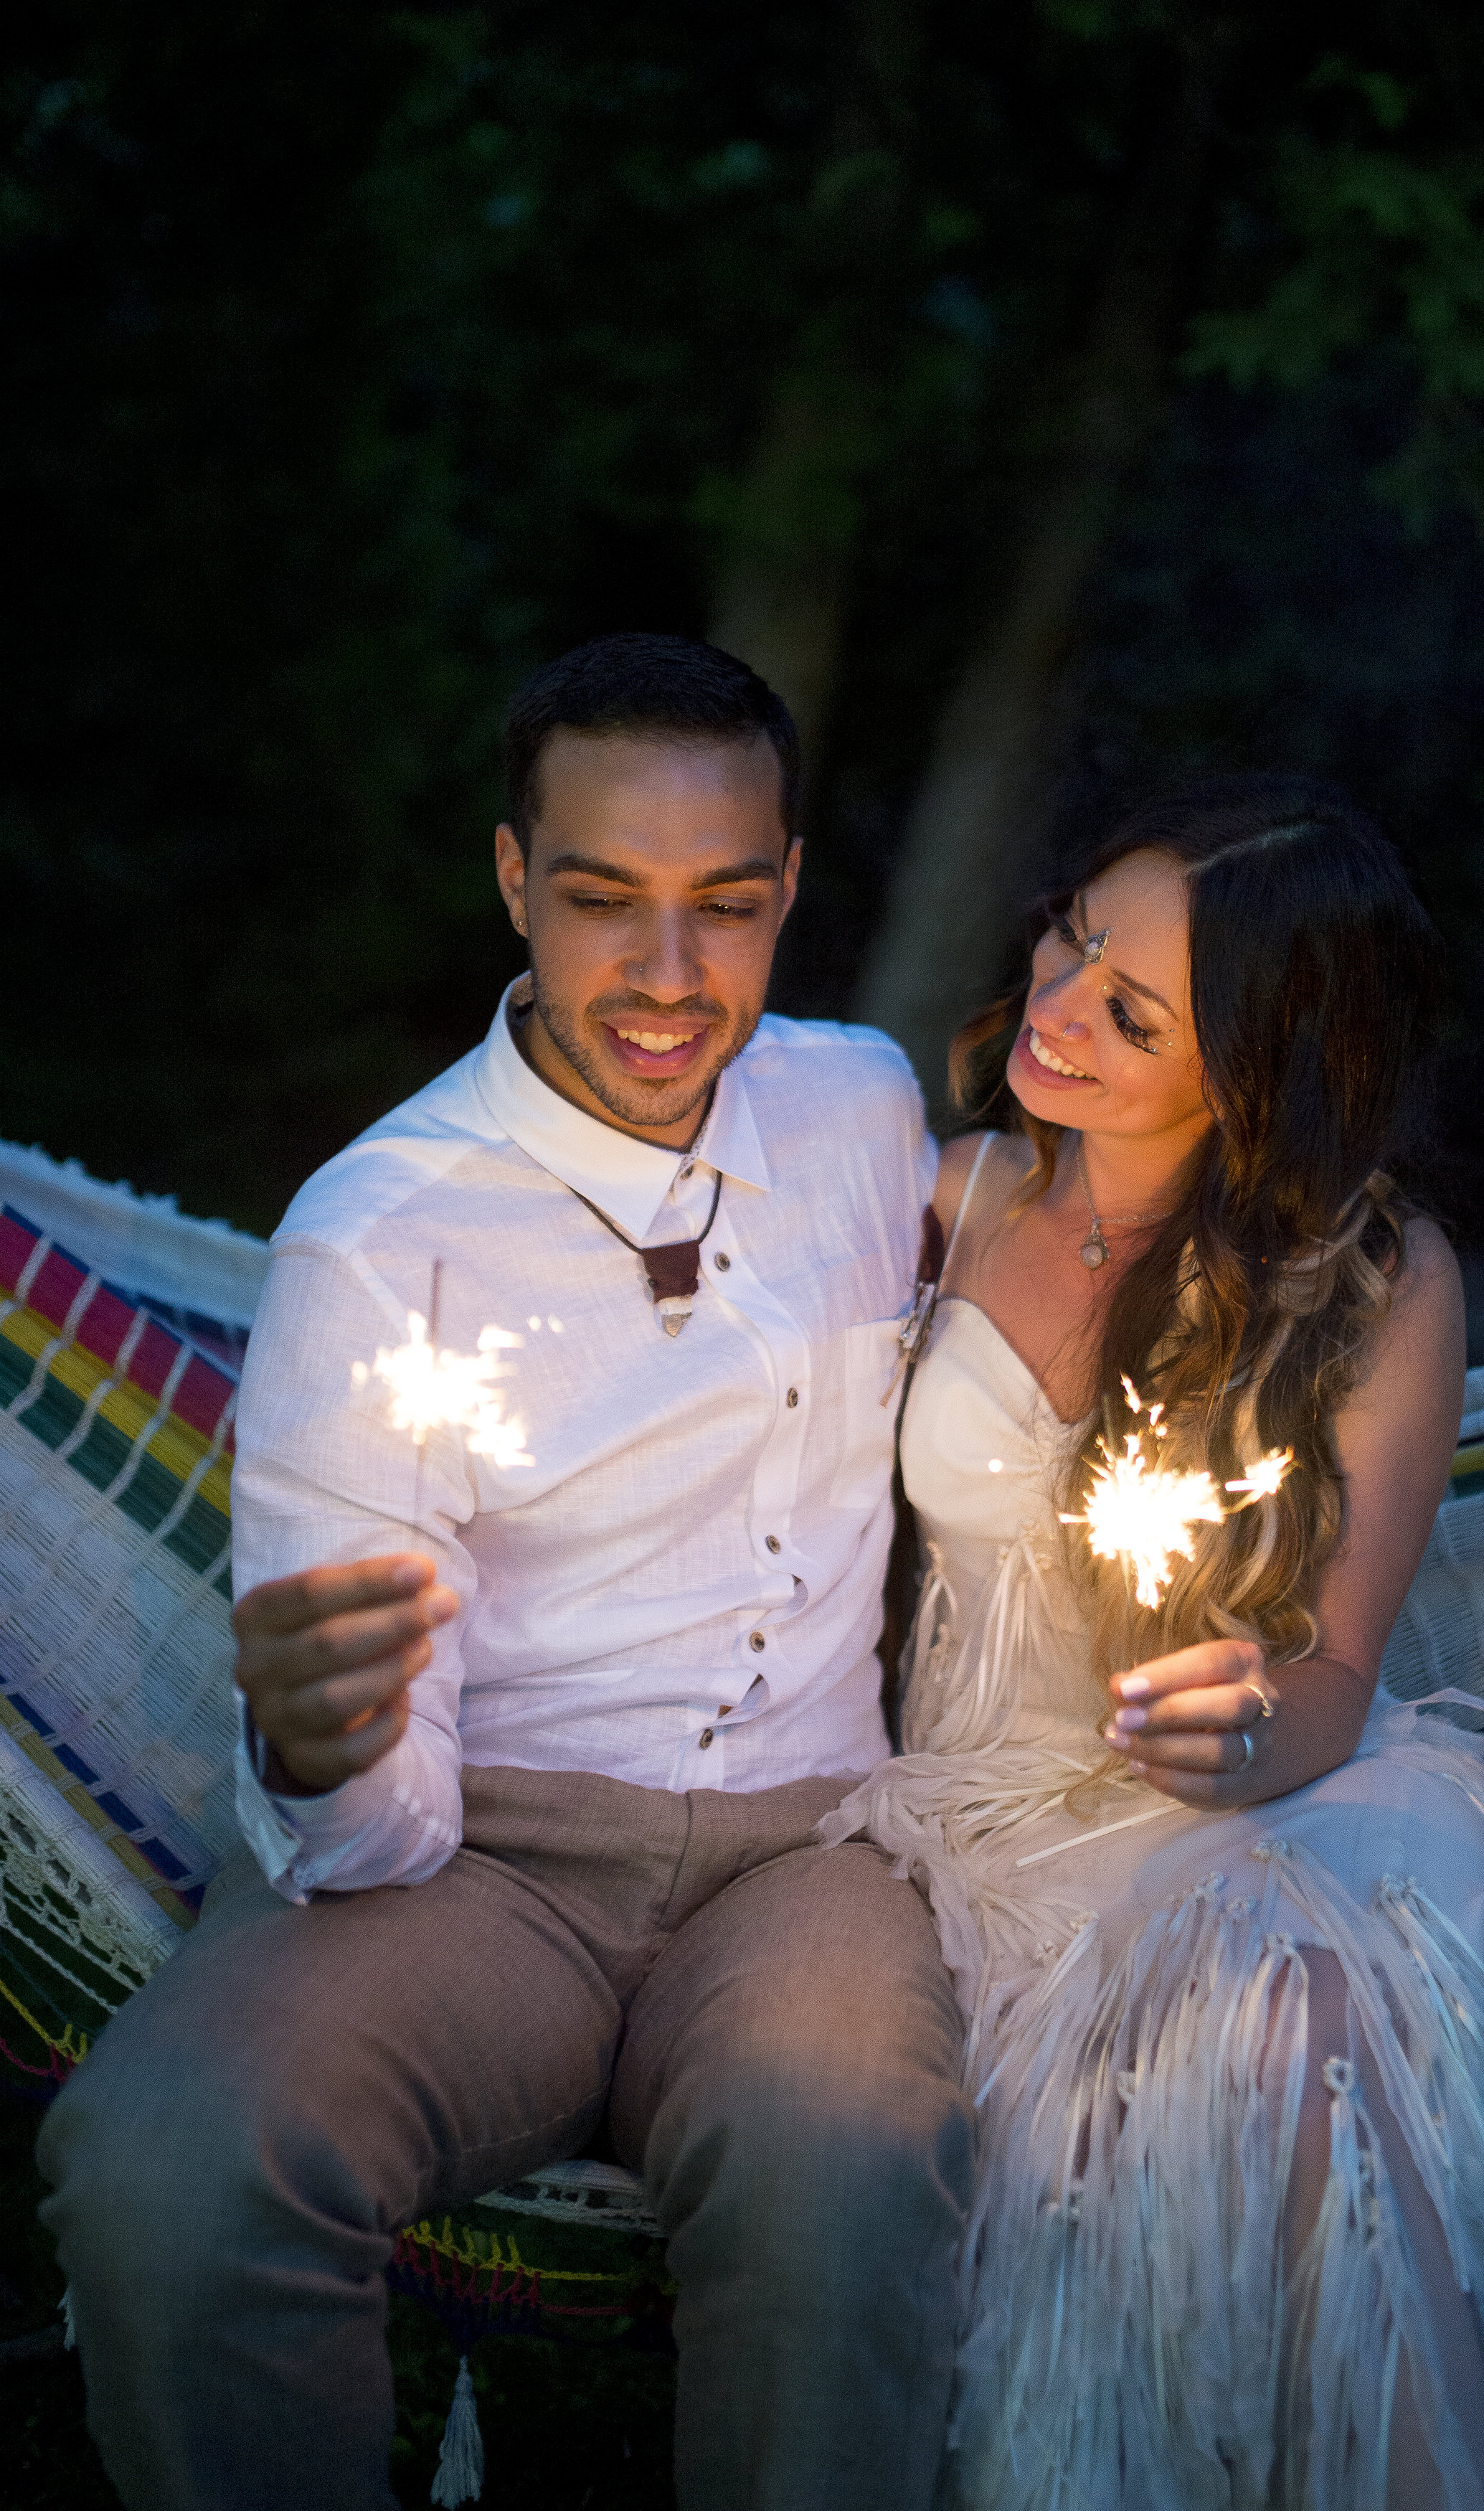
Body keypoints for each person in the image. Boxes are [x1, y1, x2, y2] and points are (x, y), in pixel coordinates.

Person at [37, 633, 973, 2511]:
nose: (667, 974)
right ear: (510, 880)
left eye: (726, 903)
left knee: (842, 2158)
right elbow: (371, 1834)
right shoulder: (380, 1239)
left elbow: (1064, 1225)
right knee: (167, 2158)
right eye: (603, 898)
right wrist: (323, 1744)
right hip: (485, 1866)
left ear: (790, 884)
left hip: (806, 1857)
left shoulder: (859, 1106)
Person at [825, 778, 1484, 2510]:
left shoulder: (1378, 1279)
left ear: (1254, 1065)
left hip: (1279, 1798)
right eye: (1071, 936)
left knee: (1302, 1998)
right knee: (1175, 2059)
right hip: (993, 1816)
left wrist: (1251, 1730)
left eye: (1130, 1008)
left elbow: (1327, 1671)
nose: (1058, 1001)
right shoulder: (932, 1206)